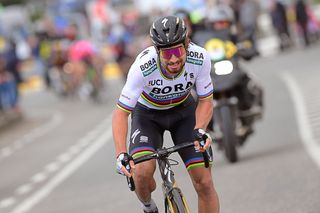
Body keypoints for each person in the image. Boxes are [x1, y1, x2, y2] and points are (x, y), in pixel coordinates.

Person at [112, 16, 220, 213]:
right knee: (142, 174)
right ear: (157, 51)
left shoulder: (200, 57)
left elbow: (205, 100)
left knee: (204, 182)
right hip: (147, 116)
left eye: (178, 51)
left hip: (183, 112)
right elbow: (120, 113)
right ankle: (148, 206)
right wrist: (121, 153)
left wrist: (201, 129)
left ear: (187, 44)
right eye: (167, 53)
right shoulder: (142, 68)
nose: (173, 59)